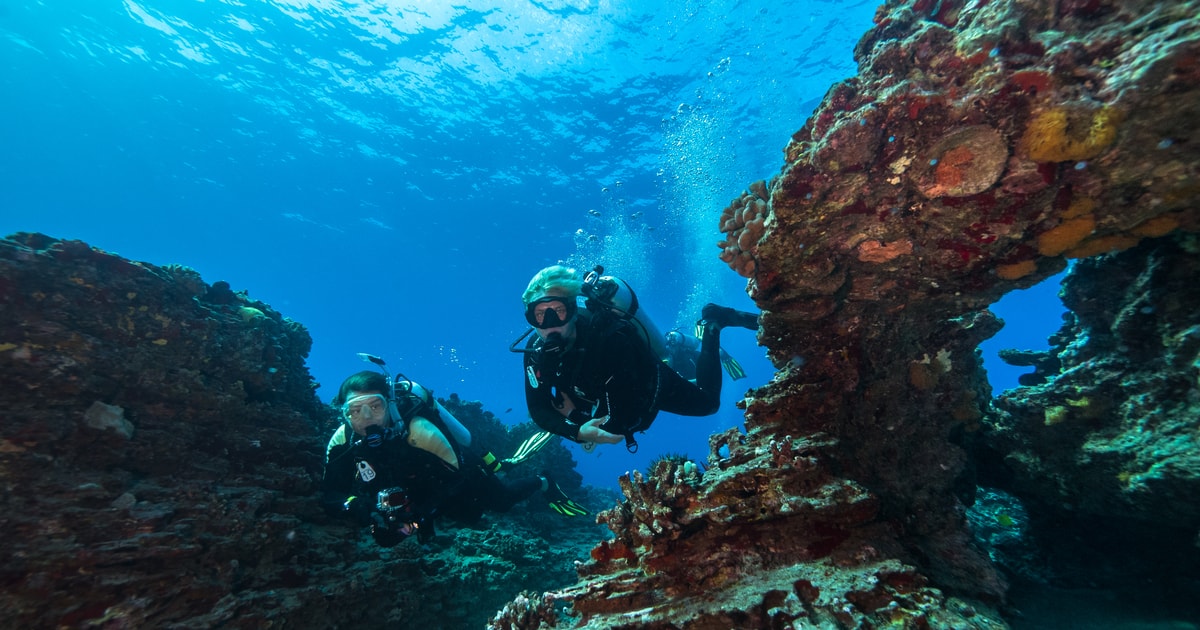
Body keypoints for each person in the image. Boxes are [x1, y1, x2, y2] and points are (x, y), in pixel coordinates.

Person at [321, 361, 587, 548]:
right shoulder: (343, 440)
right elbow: (330, 493)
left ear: (389, 405)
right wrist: (353, 504)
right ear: (344, 413)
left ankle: (543, 480)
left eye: (375, 407)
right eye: (355, 411)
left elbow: (457, 478)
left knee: (497, 503)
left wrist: (421, 516)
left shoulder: (420, 431)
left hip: (457, 472)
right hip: (415, 483)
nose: (367, 419)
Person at [515, 264, 758, 452]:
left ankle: (712, 323)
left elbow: (621, 422)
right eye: (539, 315)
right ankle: (676, 344)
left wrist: (576, 420)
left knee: (708, 404)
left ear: (571, 310)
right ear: (530, 319)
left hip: (648, 383)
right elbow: (538, 408)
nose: (549, 325)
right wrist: (579, 430)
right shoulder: (535, 351)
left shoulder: (608, 339)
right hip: (599, 395)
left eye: (558, 311)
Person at [664, 329, 747, 382]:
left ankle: (714, 347)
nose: (670, 349)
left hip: (697, 377)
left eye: (672, 346)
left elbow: (703, 377)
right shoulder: (671, 358)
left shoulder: (689, 356)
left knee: (717, 354)